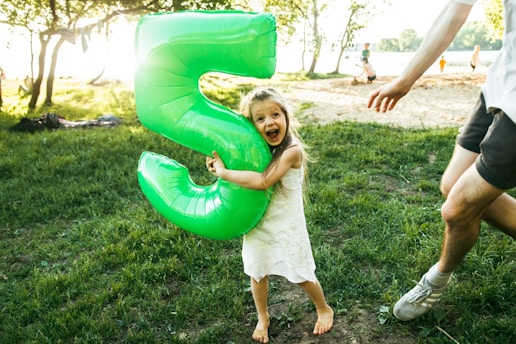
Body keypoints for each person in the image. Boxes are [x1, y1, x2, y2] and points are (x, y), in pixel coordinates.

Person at [367, 0, 516, 322]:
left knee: (457, 209)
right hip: (503, 83)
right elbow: (455, 9)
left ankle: (437, 279)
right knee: (451, 185)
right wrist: (407, 78)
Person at [206, 87, 334, 342]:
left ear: (286, 116)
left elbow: (263, 181)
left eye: (275, 114)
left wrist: (224, 173)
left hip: (287, 226)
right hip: (258, 224)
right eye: (260, 119)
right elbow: (242, 174)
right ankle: (262, 317)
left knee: (301, 274)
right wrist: (217, 165)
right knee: (257, 272)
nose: (269, 122)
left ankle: (323, 308)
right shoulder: (253, 152)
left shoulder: (291, 151)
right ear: (252, 125)